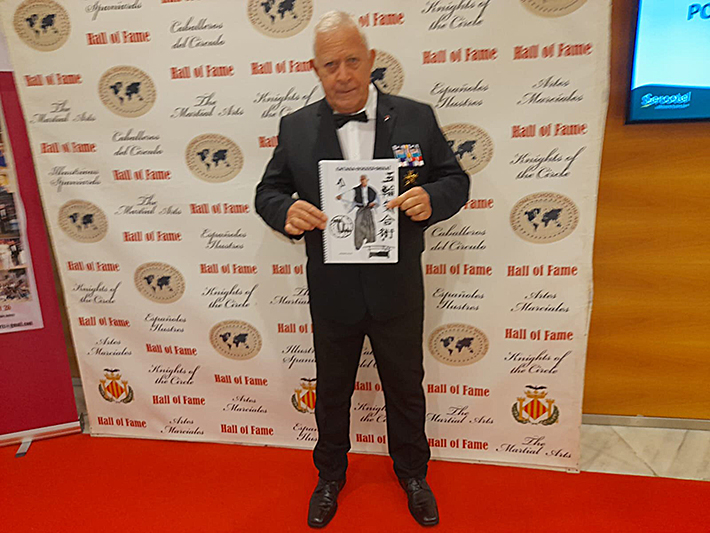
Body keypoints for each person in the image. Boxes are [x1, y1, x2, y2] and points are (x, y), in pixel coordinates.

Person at [254, 11, 469, 529]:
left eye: (352, 60)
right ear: (315, 69)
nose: (344, 74)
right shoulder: (295, 127)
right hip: (333, 291)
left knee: (405, 387)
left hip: (397, 289)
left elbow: (455, 180)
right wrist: (285, 211)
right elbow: (268, 191)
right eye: (331, 65)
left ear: (371, 60)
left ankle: (413, 475)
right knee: (332, 391)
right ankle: (329, 477)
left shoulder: (416, 117)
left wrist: (432, 198)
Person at [336, 175, 380, 250]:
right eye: (362, 180)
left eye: (364, 180)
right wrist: (341, 196)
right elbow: (349, 195)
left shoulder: (371, 190)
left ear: (367, 180)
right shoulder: (356, 190)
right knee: (358, 224)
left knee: (369, 224)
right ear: (360, 181)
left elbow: (377, 199)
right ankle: (358, 243)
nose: (363, 182)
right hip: (361, 209)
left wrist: (374, 203)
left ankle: (370, 240)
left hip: (368, 209)